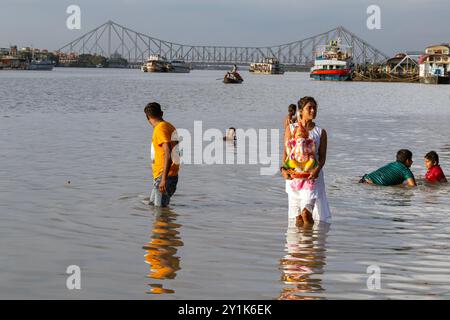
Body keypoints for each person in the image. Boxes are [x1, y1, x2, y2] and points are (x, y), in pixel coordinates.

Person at [281, 96, 331, 226]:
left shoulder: (320, 132)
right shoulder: (291, 129)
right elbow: (286, 153)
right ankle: (299, 243)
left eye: (315, 108)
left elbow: (322, 157)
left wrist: (316, 170)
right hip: (294, 178)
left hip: (312, 178)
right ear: (301, 111)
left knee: (306, 213)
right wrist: (283, 170)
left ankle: (311, 245)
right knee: (297, 218)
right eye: (309, 108)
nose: (313, 111)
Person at [144, 102, 180, 207]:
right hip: (169, 175)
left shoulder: (159, 129)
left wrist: (163, 179)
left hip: (164, 176)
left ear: (147, 118)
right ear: (162, 113)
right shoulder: (170, 126)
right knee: (153, 206)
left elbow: (168, 153)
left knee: (160, 213)